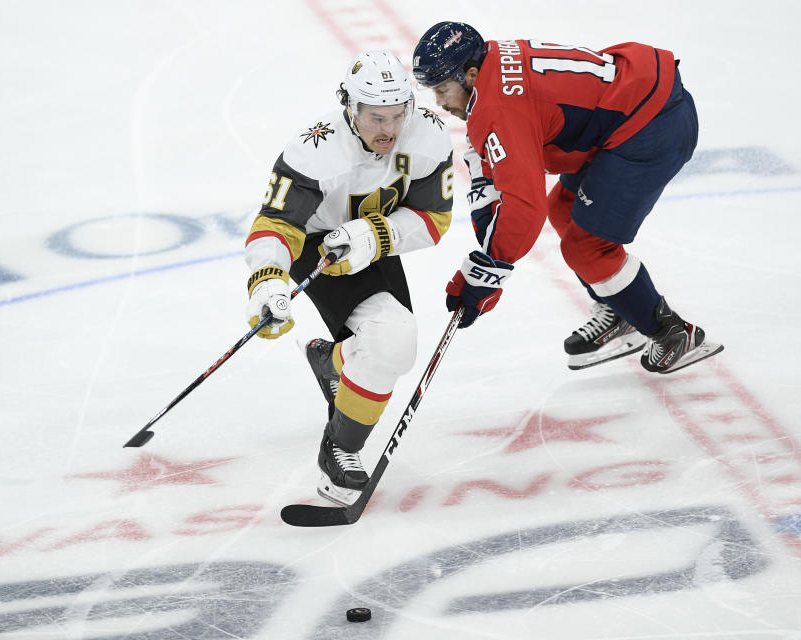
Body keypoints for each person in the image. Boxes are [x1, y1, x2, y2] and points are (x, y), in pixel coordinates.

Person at [412, 23, 723, 373]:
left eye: (442, 89)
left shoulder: (498, 108)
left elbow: (524, 206)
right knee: (564, 210)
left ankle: (671, 334)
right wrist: (487, 256)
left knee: (586, 247)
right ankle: (622, 310)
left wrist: (489, 272)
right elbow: (494, 161)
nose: (439, 102)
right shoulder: (492, 63)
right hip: (635, 107)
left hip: (650, 126)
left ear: (470, 75)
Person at [243, 50, 454, 506]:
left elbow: (434, 218)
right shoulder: (314, 149)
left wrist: (376, 234)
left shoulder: (430, 135)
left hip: (375, 240)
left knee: (395, 350)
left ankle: (331, 364)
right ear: (350, 107)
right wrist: (267, 280)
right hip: (317, 246)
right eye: (376, 117)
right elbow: (275, 226)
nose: (389, 130)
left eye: (398, 115)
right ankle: (341, 447)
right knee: (393, 341)